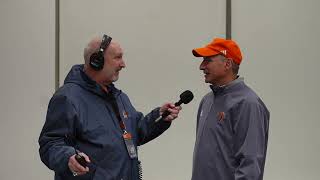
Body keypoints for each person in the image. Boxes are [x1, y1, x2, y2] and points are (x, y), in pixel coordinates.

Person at [39, 34, 181, 180]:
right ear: (96, 61)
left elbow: (136, 132)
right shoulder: (68, 98)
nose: (123, 64)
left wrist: (160, 117)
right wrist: (68, 158)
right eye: (117, 58)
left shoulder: (119, 97)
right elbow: (50, 144)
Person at [191, 38, 270, 180]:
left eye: (207, 60)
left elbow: (250, 166)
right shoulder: (207, 101)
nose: (201, 66)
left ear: (227, 64)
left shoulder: (248, 104)